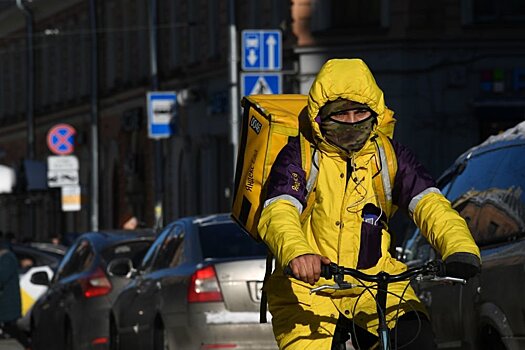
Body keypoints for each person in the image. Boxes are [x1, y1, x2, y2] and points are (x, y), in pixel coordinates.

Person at [257, 58, 481, 350]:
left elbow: (431, 205)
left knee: (417, 339)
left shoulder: (389, 156)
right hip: (308, 289)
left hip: (376, 285)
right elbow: (279, 210)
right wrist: (299, 254)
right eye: (340, 114)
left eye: (360, 111)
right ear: (320, 117)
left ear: (374, 112)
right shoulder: (299, 157)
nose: (352, 122)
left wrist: (459, 247)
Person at [0, 233, 31, 350]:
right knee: (10, 327)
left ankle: (28, 346)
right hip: (4, 301)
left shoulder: (7, 258)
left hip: (6, 301)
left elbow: (1, 277)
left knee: (11, 327)